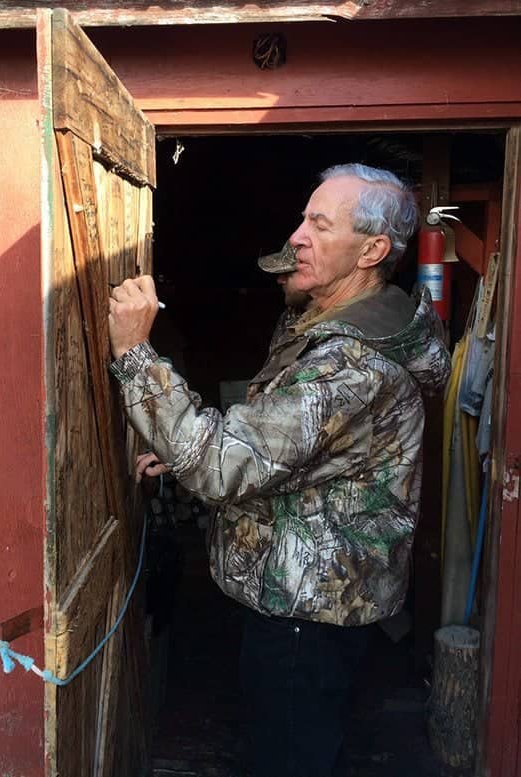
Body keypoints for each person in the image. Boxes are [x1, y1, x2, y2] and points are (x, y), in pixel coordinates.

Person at [107, 163, 451, 777]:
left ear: (372, 250)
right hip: (312, 606)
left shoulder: (351, 363)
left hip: (305, 620)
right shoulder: (327, 320)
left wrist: (136, 354)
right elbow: (281, 447)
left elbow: (221, 466)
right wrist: (191, 445)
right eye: (303, 218)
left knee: (289, 759)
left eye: (319, 224)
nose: (296, 236)